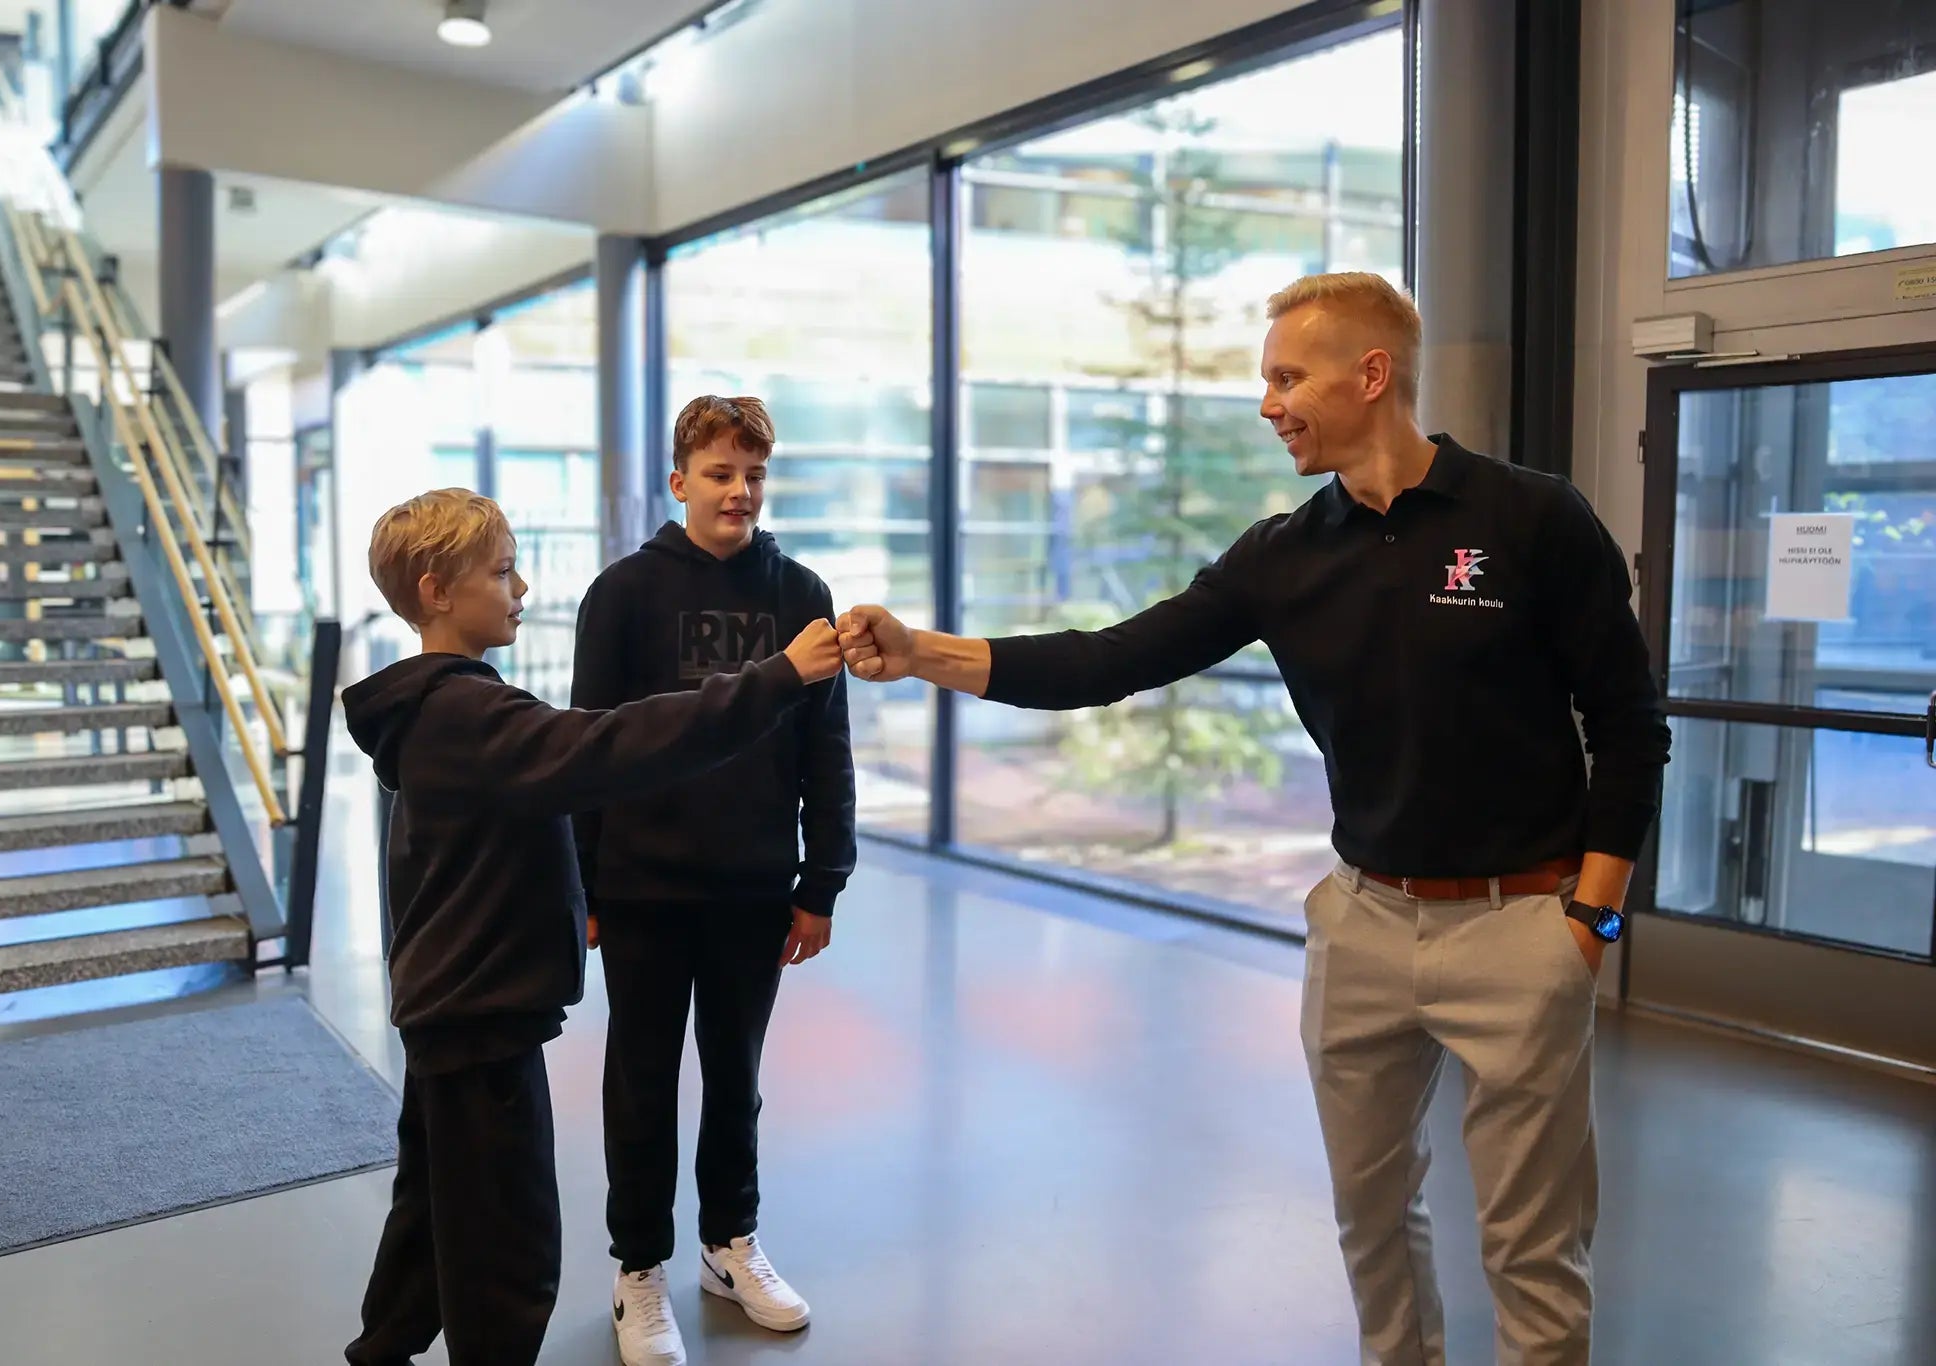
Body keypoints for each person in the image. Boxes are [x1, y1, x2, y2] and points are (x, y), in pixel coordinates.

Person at [835, 273, 1671, 1366]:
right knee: (1370, 1225)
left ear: (1369, 376)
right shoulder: (1282, 556)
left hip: (1519, 925)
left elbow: (1627, 723)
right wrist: (922, 653)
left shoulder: (1528, 518)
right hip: (1362, 926)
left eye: (1287, 377)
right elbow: (1110, 658)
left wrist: (1589, 924)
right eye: (1265, 379)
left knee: (1531, 1245)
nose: (1267, 402)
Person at [339, 487, 846, 1366]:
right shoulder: (466, 716)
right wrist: (775, 677)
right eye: (501, 572)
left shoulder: (445, 709)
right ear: (435, 591)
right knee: (509, 1246)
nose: (520, 586)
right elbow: (613, 745)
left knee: (433, 1206)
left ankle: (381, 1349)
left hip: (452, 1010)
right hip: (479, 1020)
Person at [572, 396, 855, 1366]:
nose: (739, 491)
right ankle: (637, 1268)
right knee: (641, 1082)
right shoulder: (620, 596)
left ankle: (728, 1245)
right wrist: (584, 886)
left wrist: (822, 882)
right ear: (678, 480)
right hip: (643, 887)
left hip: (752, 889)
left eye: (754, 475)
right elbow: (588, 747)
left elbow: (828, 751)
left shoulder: (803, 594)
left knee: (736, 1079)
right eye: (720, 472)